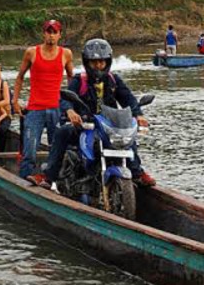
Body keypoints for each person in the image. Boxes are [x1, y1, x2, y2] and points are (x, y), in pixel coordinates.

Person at [47, 37, 155, 188]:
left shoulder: (113, 80)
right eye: (94, 62)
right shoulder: (80, 81)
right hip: (85, 126)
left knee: (128, 139)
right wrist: (70, 111)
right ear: (87, 62)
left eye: (102, 62)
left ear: (108, 62)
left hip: (109, 127)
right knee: (61, 133)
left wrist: (138, 114)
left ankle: (137, 174)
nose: (98, 66)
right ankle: (47, 177)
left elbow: (128, 99)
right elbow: (65, 98)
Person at [12, 19, 74, 183]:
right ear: (43, 33)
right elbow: (19, 78)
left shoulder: (66, 54)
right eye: (48, 31)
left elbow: (71, 80)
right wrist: (15, 101)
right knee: (30, 150)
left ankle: (54, 183)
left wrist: (72, 105)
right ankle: (24, 182)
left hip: (56, 109)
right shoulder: (32, 52)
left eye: (54, 32)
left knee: (57, 150)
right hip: (35, 109)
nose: (51, 35)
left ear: (60, 35)